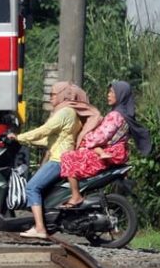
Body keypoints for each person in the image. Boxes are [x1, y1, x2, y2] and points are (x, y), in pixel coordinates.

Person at [7, 82, 101, 239]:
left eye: (53, 94)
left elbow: (44, 130)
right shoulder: (71, 113)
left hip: (58, 160)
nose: (50, 97)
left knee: (31, 187)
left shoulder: (65, 112)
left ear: (64, 94)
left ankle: (39, 228)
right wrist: (22, 140)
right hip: (62, 156)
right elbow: (49, 141)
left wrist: (19, 137)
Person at [59, 80, 152, 208]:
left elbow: (100, 137)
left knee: (67, 157)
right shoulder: (125, 114)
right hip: (114, 153)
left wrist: (84, 137)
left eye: (112, 92)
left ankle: (76, 196)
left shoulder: (115, 115)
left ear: (120, 95)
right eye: (108, 92)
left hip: (107, 155)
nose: (108, 95)